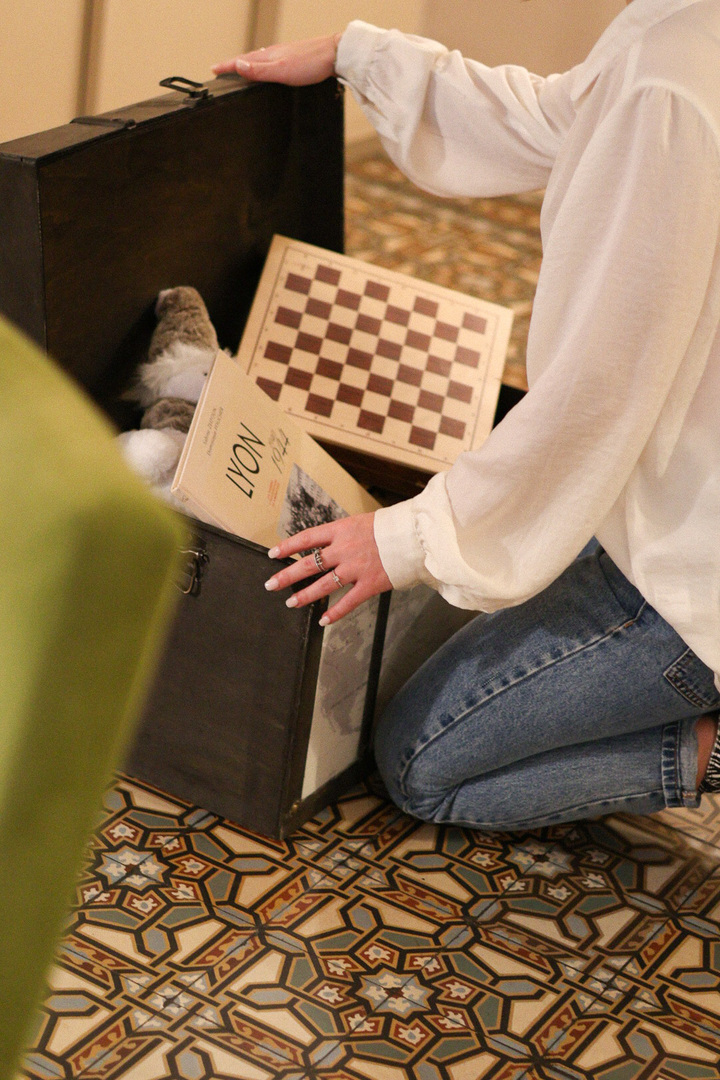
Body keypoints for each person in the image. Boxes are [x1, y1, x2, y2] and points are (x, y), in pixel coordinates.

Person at [213, 0, 720, 831]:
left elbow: (599, 394)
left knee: (420, 764)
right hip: (664, 496)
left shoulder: (676, 81)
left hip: (687, 574)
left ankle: (709, 748)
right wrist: (358, 54)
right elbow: (559, 115)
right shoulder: (683, 32)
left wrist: (405, 540)